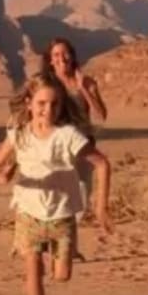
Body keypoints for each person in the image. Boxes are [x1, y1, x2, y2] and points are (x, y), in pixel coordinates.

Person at [0, 72, 111, 295]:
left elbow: (102, 164)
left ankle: (58, 262)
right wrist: (3, 176)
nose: (47, 110)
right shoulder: (19, 133)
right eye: (41, 103)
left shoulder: (67, 135)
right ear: (29, 103)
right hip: (28, 212)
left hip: (62, 213)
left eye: (54, 104)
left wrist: (101, 209)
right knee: (32, 267)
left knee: (62, 275)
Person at [42, 37, 108, 258]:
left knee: (80, 197)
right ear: (50, 61)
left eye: (65, 53)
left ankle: (68, 245)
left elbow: (101, 115)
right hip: (56, 146)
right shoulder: (47, 85)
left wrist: (83, 89)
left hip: (83, 145)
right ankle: (63, 247)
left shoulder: (87, 81)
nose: (62, 59)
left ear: (72, 55)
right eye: (56, 55)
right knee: (56, 198)